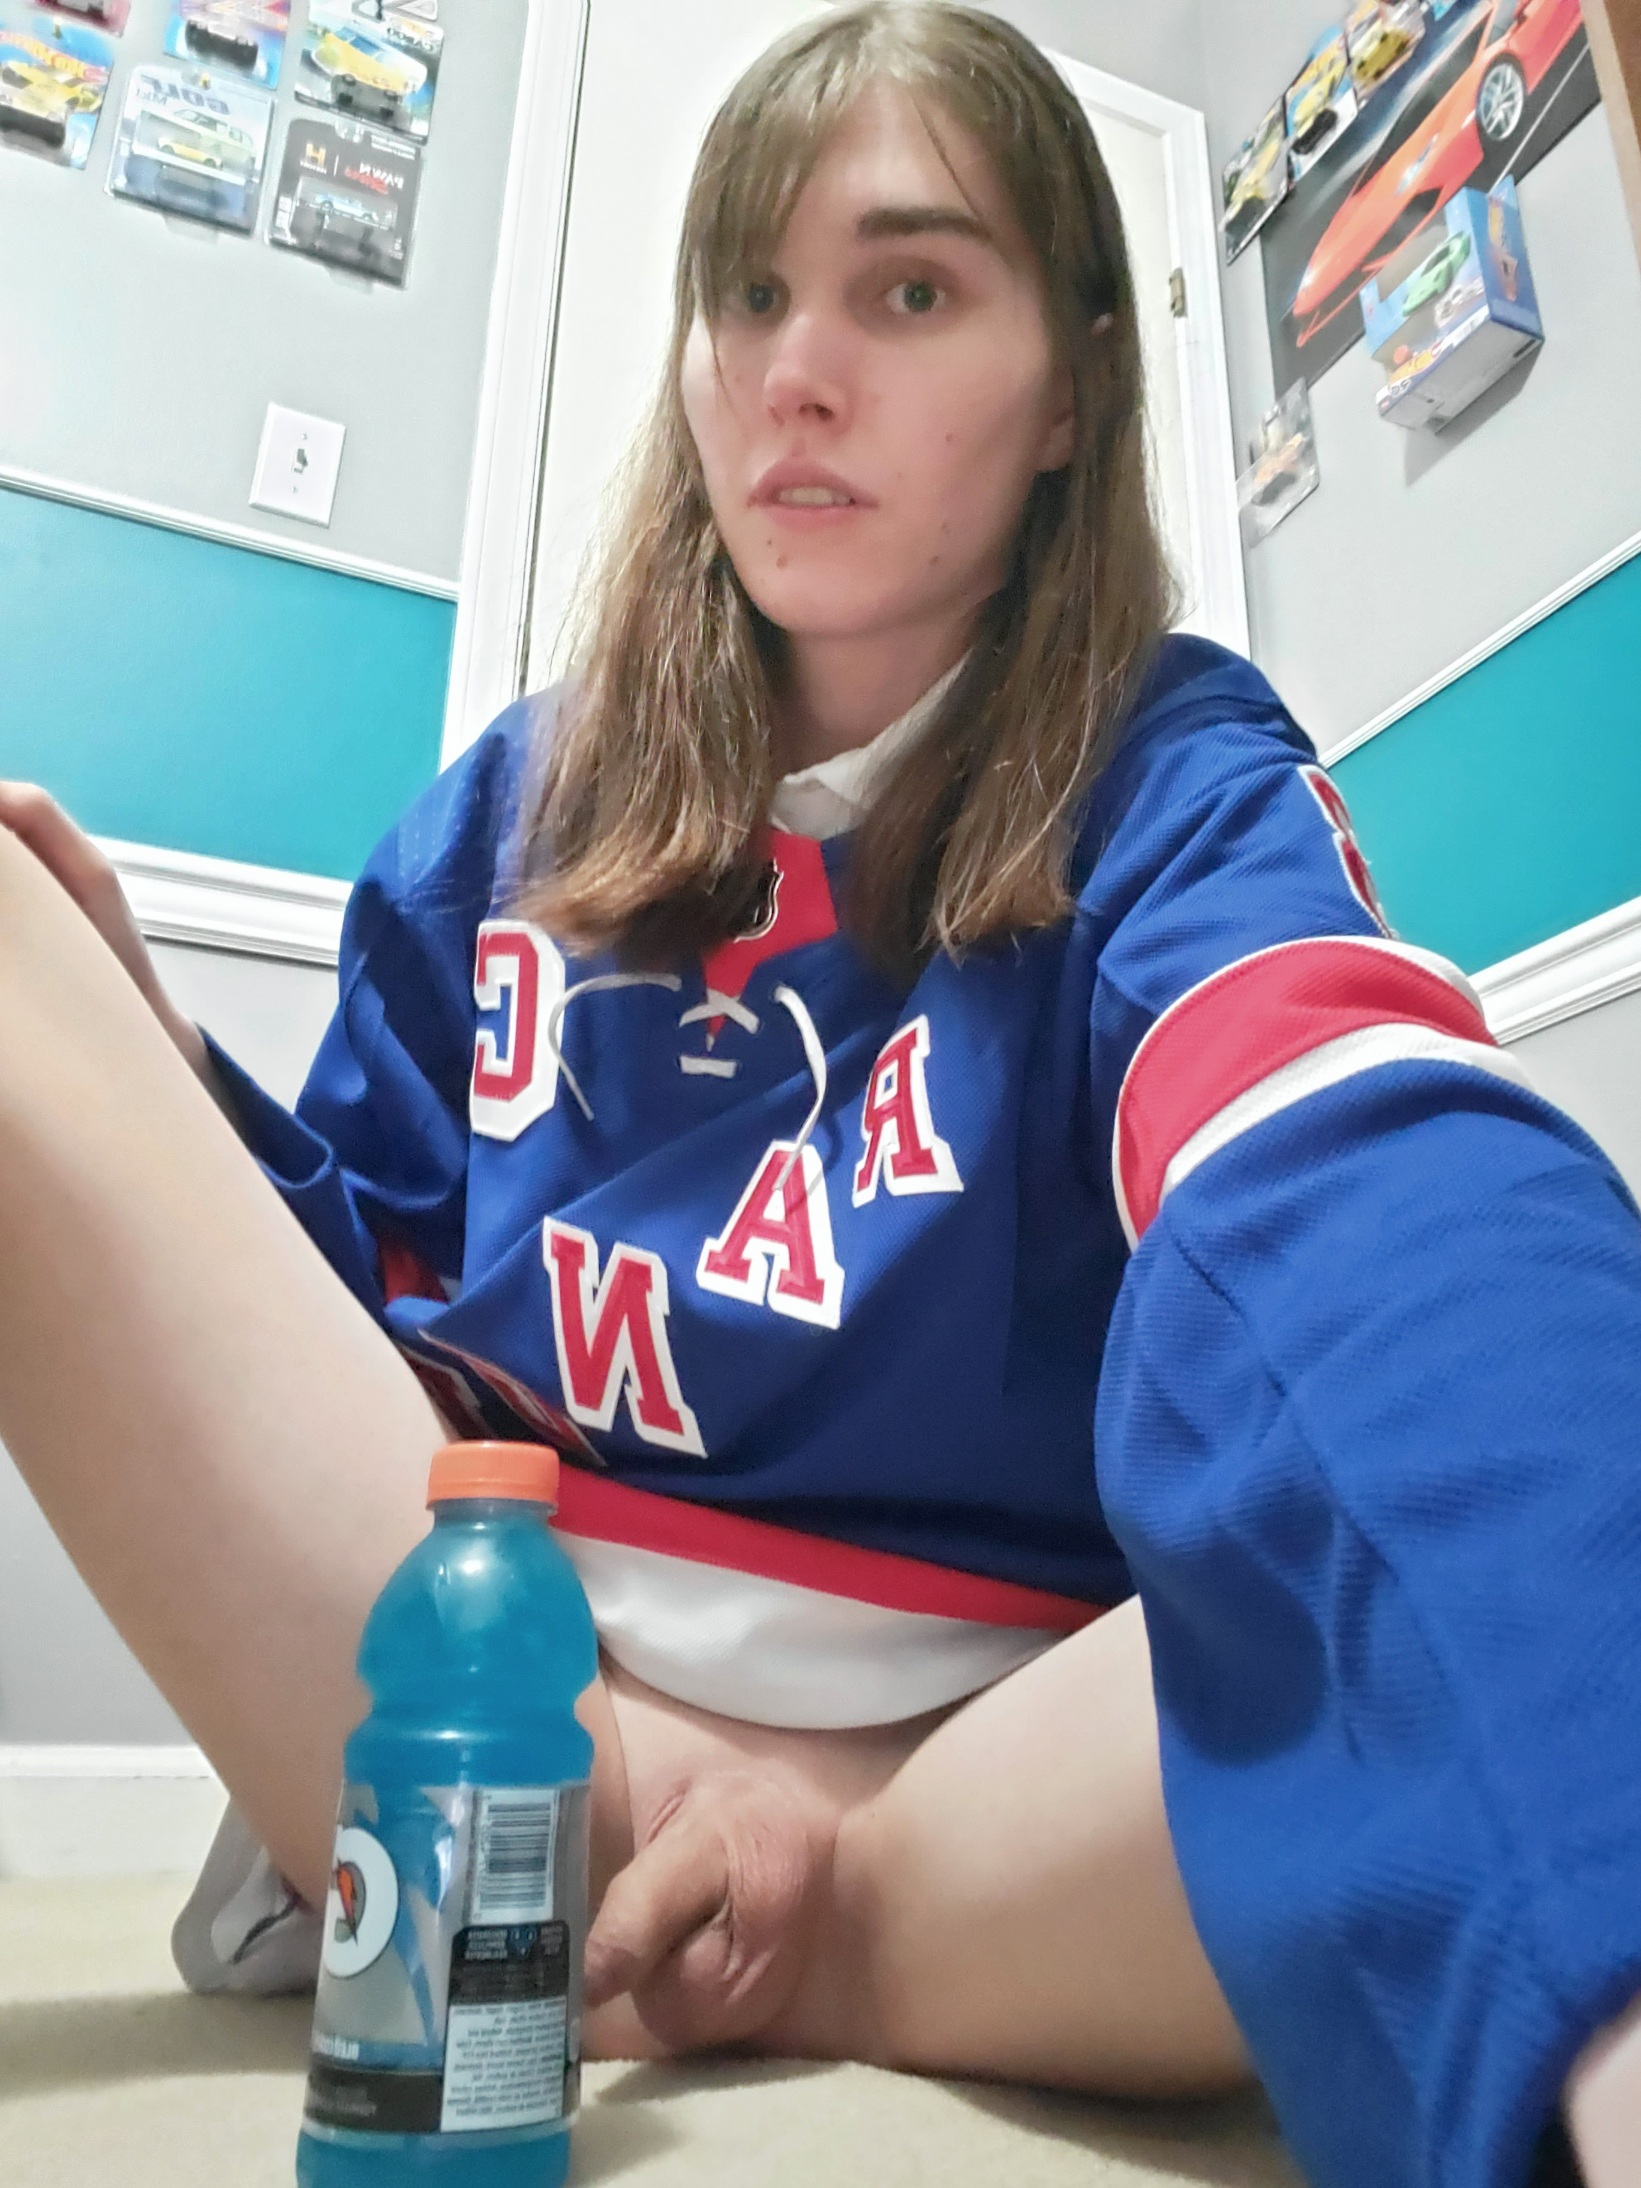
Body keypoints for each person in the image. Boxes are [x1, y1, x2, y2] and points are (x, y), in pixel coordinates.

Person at [1, 6, 1639, 2183]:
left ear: (1071, 387)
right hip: (504, 1704)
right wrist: (163, 1074)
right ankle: (721, 1909)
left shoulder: (1172, 773)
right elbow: (351, 1328)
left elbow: (1347, 1174)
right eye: (746, 292)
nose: (793, 371)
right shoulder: (501, 814)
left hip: (986, 1803)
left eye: (909, 288)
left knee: (1485, 1475)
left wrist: (848, 1827)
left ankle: (816, 1921)